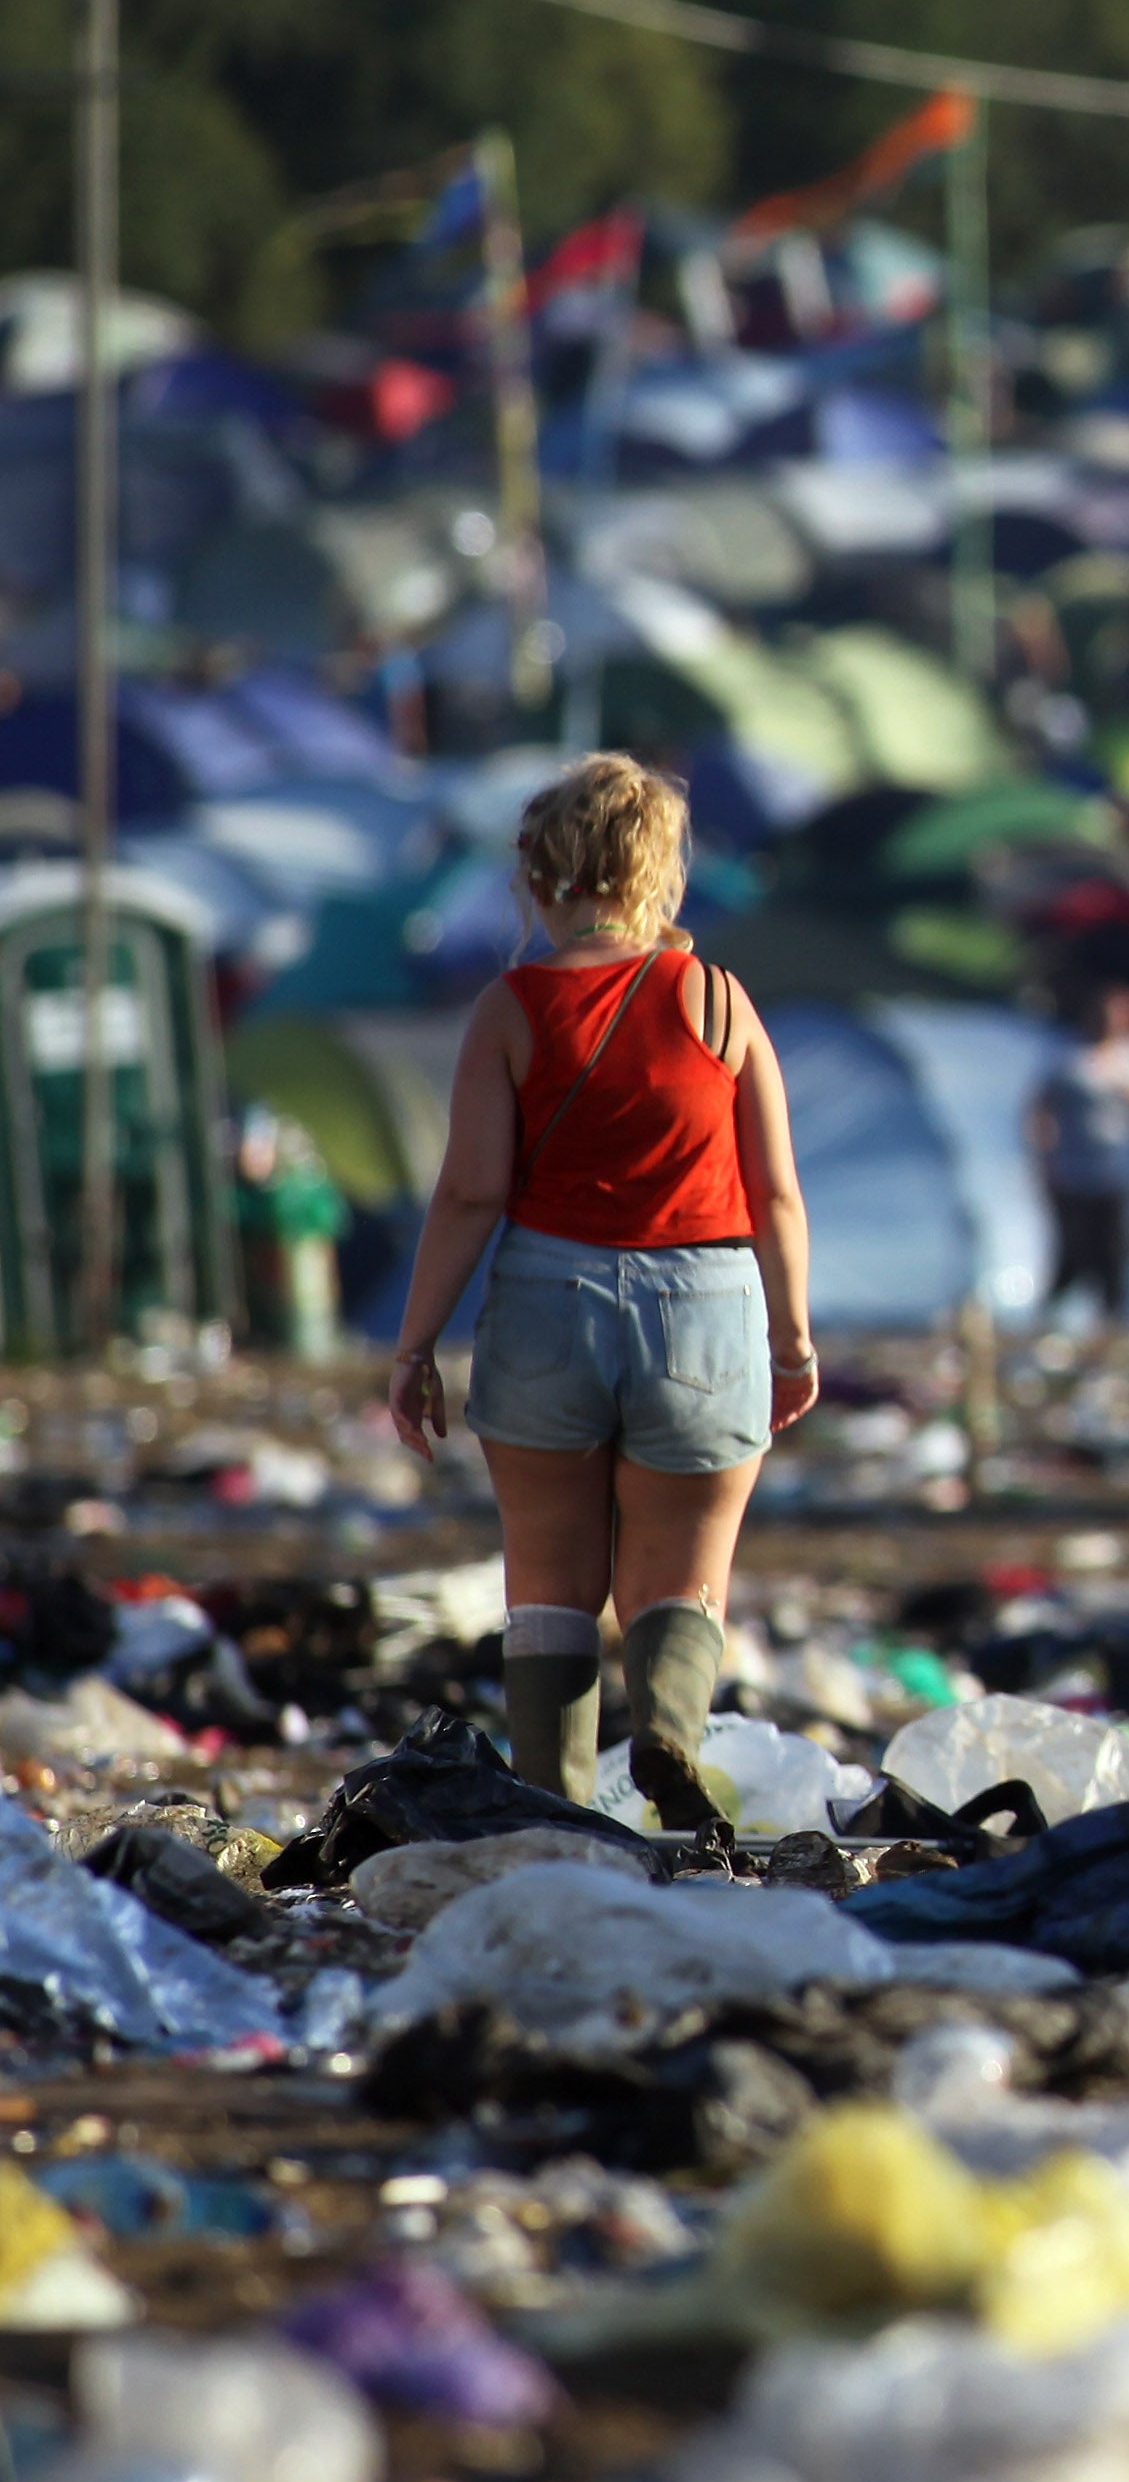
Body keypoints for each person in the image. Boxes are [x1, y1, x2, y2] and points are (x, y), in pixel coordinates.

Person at [381, 756, 819, 1819]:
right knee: (681, 1574)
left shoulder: (511, 1008)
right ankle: (666, 1736)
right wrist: (795, 1341)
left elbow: (472, 1193)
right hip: (707, 1311)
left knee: (548, 1576)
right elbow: (777, 1195)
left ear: (538, 879)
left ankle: (554, 1806)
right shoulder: (720, 1001)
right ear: (660, 872)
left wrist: (415, 1343)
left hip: (547, 1304)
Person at [1027, 984, 1129, 1329]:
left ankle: (1112, 1323)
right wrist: (1043, 1158)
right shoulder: (1069, 1054)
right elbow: (1039, 1108)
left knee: (1114, 1253)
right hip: (1072, 1172)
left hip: (1118, 1173)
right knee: (1071, 1251)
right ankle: (1049, 1322)